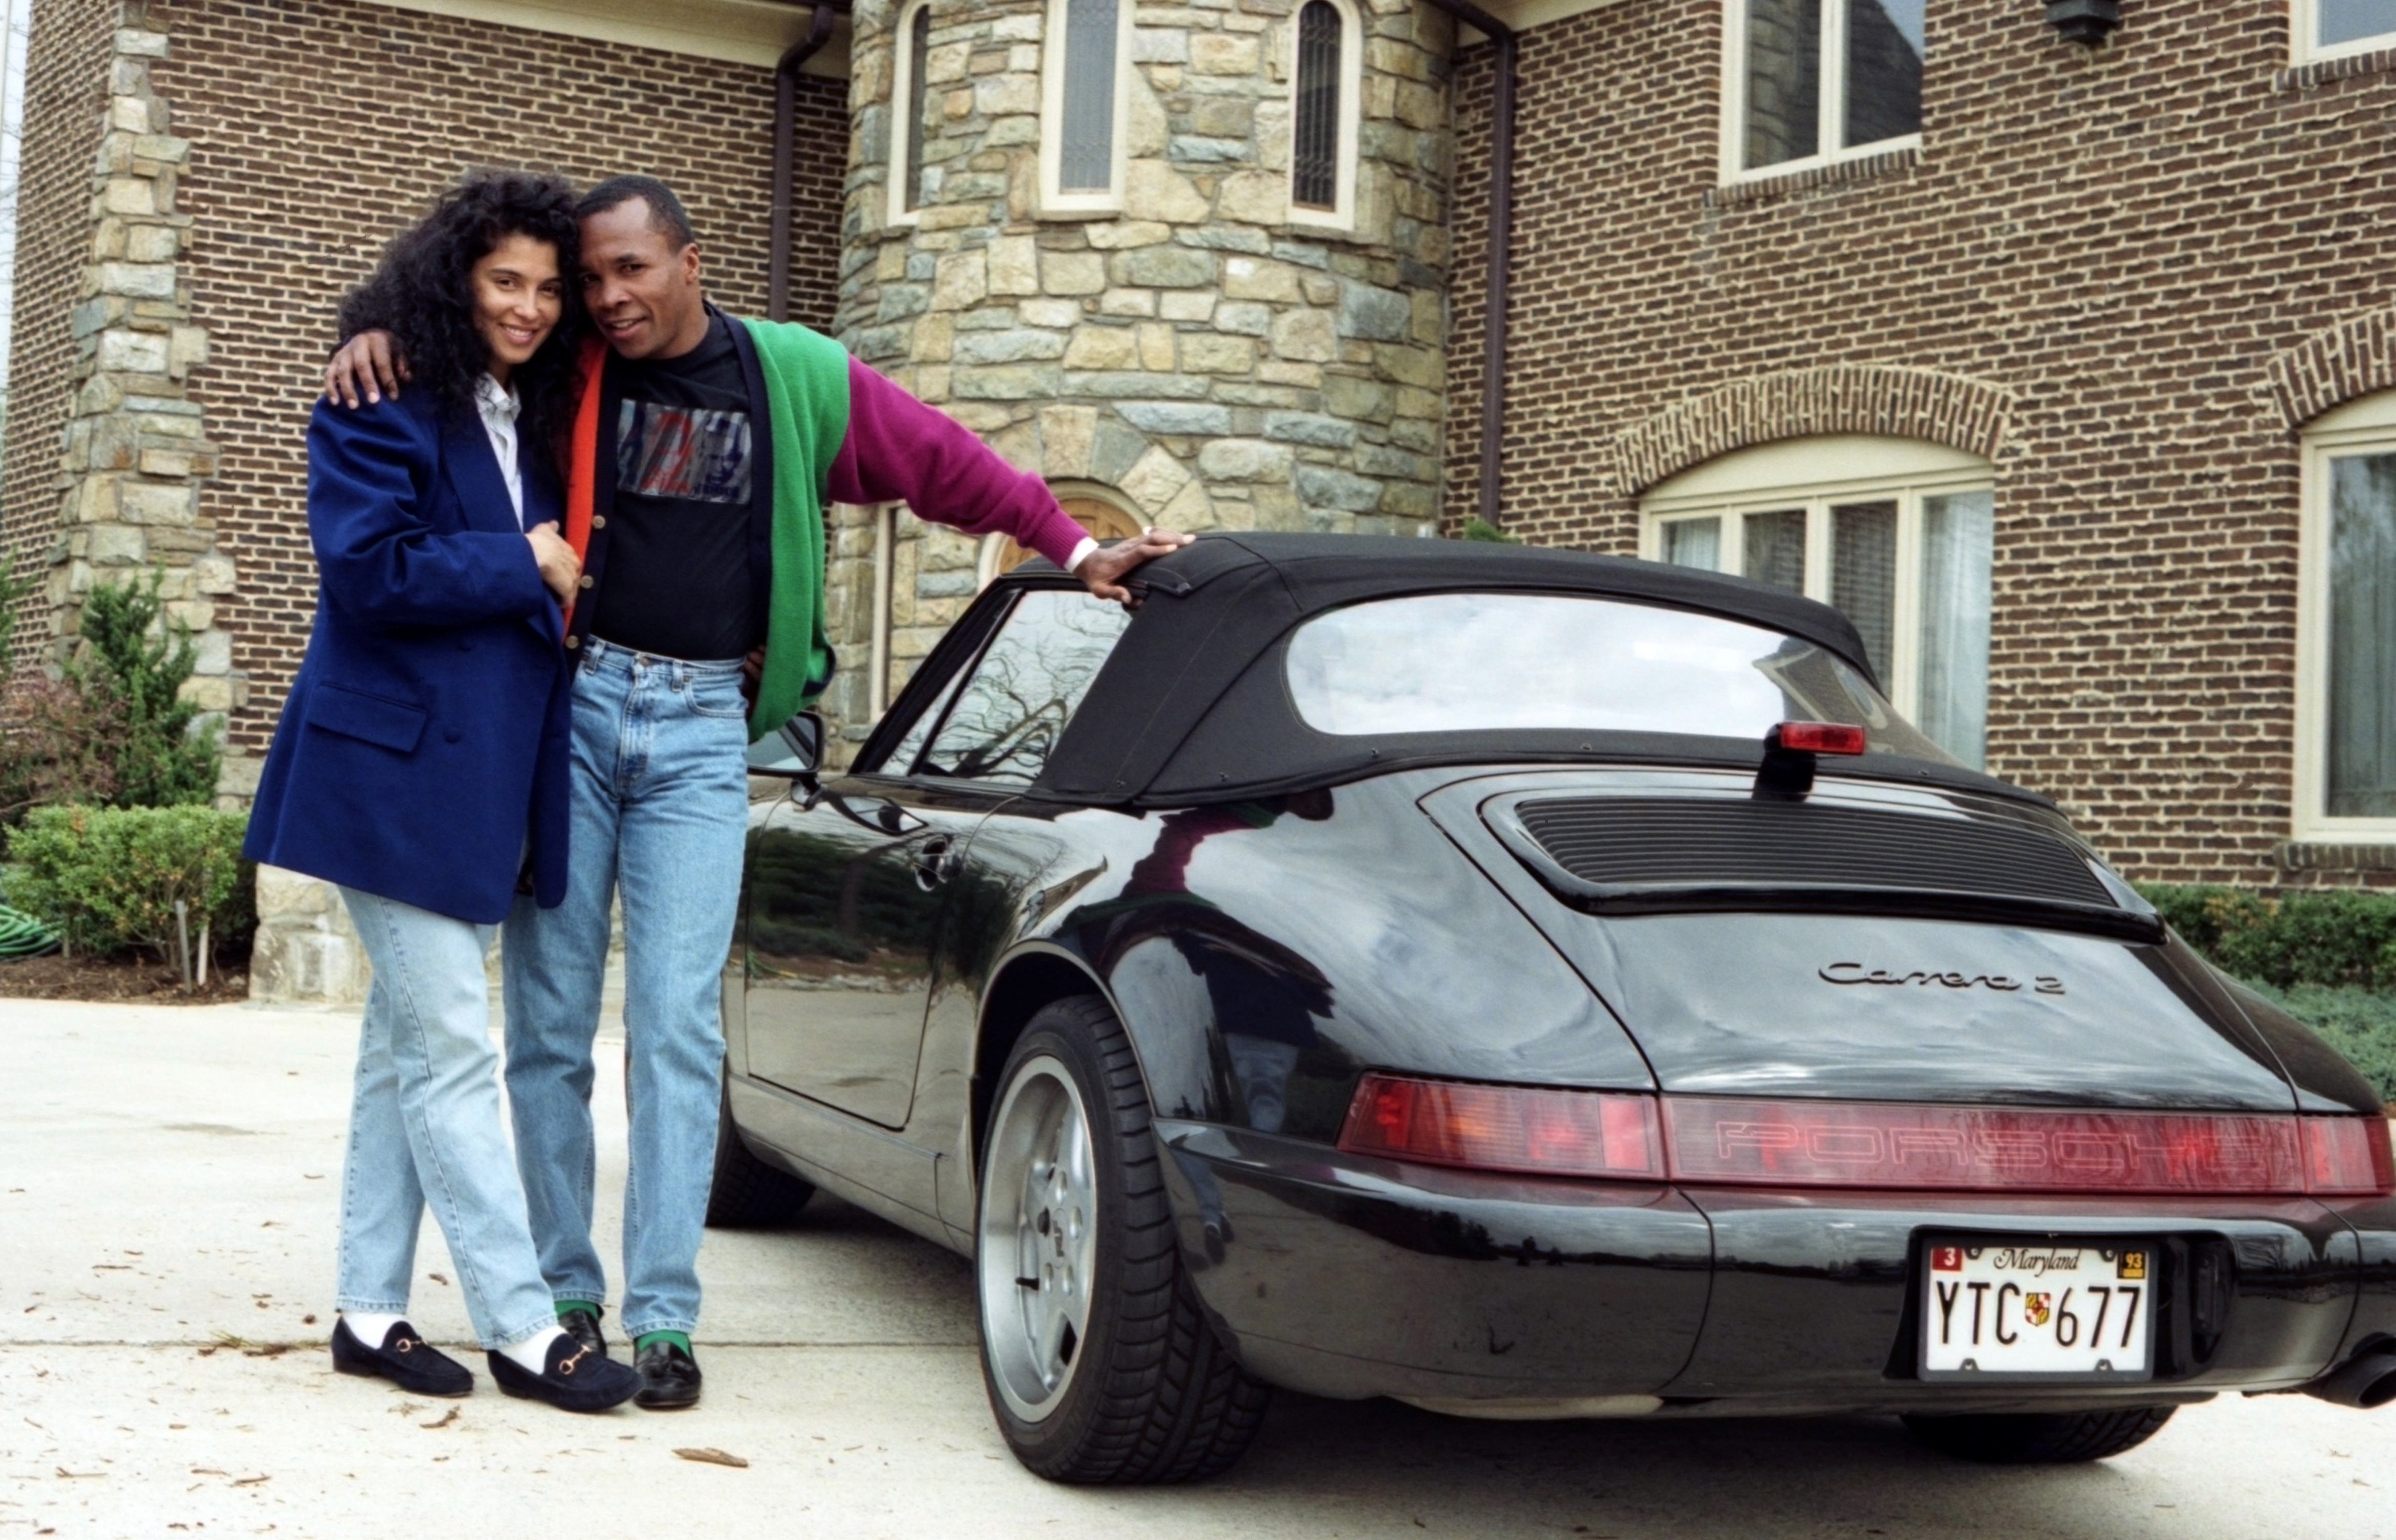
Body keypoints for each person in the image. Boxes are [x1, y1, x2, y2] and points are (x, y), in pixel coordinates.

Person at [324, 174, 1190, 1410]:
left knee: (678, 1028)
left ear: (687, 260)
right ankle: (569, 1296)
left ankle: (664, 1315)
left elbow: (948, 466)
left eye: (630, 272)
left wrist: (1073, 546)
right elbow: (458, 329)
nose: (607, 298)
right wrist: (370, 334)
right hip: (565, 717)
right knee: (551, 1026)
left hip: (697, 732)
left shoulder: (790, 377)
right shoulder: (571, 360)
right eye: (592, 279)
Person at [250, 171, 641, 1413]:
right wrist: (518, 558)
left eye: (542, 288)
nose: (526, 308)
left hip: (470, 783)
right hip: (383, 776)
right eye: (502, 284)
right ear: (451, 284)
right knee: (452, 1053)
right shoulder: (379, 392)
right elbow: (366, 569)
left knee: (399, 1051)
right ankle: (524, 1327)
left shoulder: (520, 406)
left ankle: (370, 1313)